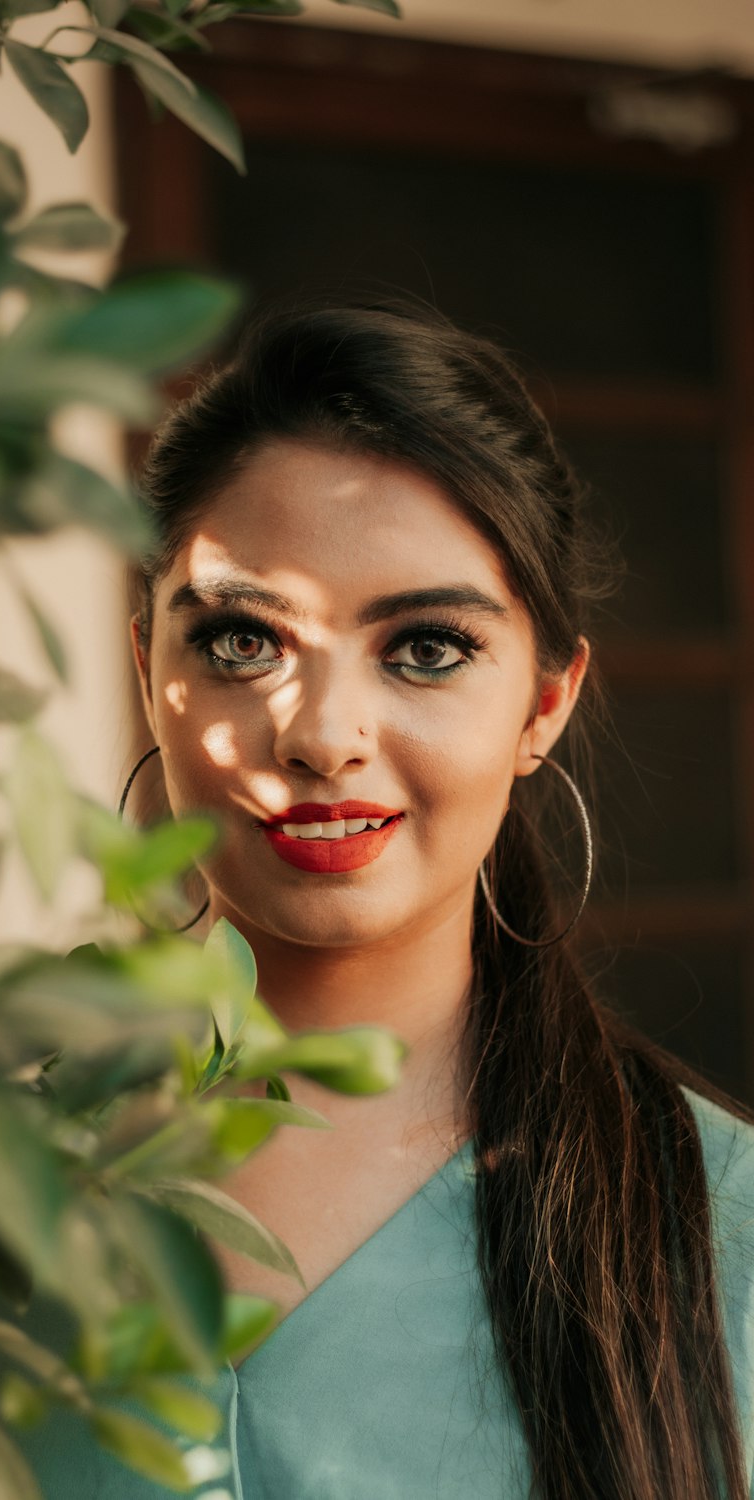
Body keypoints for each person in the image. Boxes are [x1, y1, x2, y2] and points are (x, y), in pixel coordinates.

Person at [80, 300, 753, 1499]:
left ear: (544, 704)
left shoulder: (723, 1234)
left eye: (426, 648)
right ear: (150, 674)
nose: (323, 735)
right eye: (241, 640)